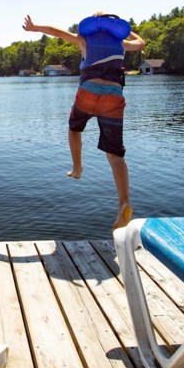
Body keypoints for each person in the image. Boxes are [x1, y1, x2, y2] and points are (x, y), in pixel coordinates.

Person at [22, 13, 145, 230]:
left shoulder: (84, 40)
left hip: (88, 91)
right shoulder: (121, 42)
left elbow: (56, 32)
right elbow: (141, 43)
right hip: (113, 96)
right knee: (116, 155)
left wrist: (34, 27)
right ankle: (124, 203)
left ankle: (77, 167)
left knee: (74, 128)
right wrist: (126, 30)